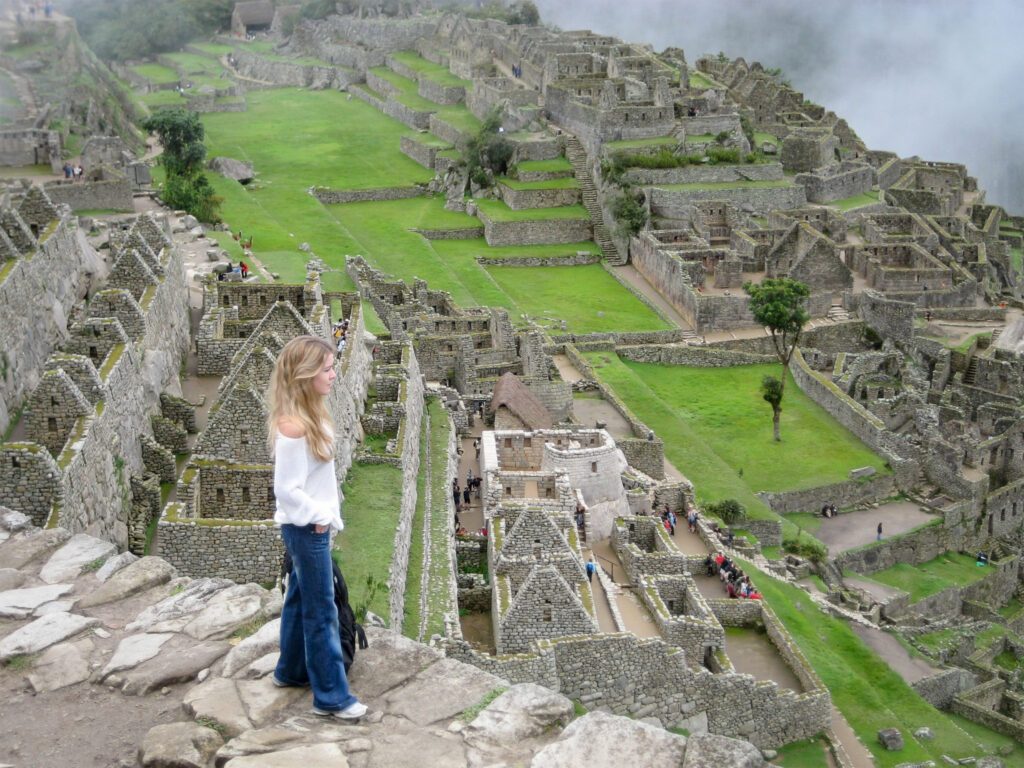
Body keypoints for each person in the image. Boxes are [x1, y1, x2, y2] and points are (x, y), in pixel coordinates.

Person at [267, 335, 367, 720]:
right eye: (326, 369)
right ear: (306, 375)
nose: (333, 375)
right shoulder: (294, 429)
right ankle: (332, 697)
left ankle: (290, 671)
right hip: (308, 529)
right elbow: (285, 490)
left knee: (299, 597)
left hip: (308, 528)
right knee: (321, 610)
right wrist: (320, 517)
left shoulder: (310, 416)